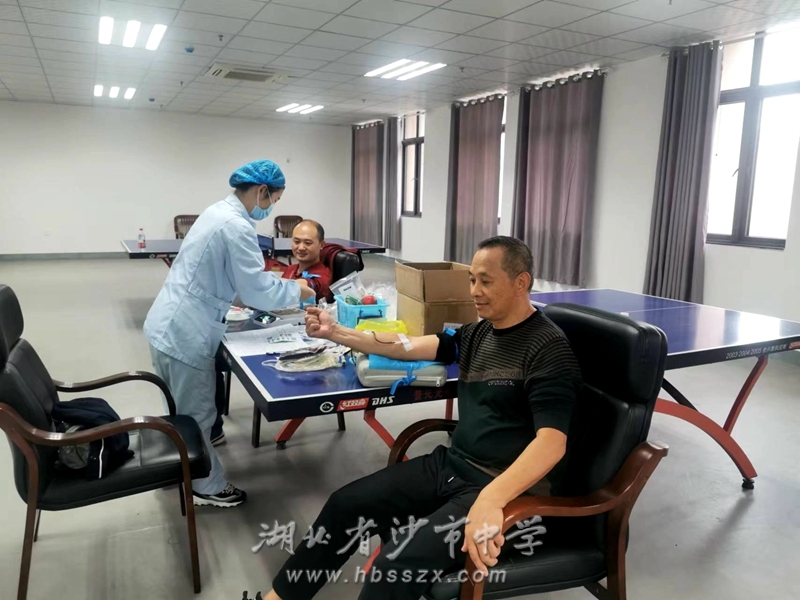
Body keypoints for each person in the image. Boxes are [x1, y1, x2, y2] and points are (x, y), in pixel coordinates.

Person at [264, 236, 582, 600]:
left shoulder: (547, 348)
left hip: (504, 488)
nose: (474, 291)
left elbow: (552, 444)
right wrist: (336, 332)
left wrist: (493, 499)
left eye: (485, 281)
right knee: (345, 505)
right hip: (452, 466)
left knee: (394, 564)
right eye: (471, 280)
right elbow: (408, 347)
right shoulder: (477, 333)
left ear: (520, 282)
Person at [144, 160, 315, 508]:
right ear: (262, 190)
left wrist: (266, 287)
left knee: (179, 409)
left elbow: (224, 276)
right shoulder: (236, 226)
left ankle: (182, 462)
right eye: (274, 200)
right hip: (186, 332)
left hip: (167, 321)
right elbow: (255, 291)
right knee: (197, 414)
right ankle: (205, 486)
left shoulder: (216, 212)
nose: (271, 207)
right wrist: (297, 290)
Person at [281, 220, 332, 303]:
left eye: (308, 243)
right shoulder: (291, 269)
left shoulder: (323, 276)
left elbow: (302, 285)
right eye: (296, 242)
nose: (301, 248)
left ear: (322, 245)